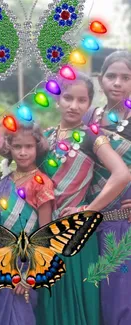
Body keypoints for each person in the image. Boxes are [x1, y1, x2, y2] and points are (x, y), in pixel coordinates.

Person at [34, 72, 131, 325]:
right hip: (43, 233)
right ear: (57, 100)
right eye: (67, 98)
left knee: (78, 303)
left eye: (82, 100)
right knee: (49, 301)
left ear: (89, 104)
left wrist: (87, 211)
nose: (74, 106)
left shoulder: (92, 137)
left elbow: (122, 174)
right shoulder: (43, 138)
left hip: (75, 233)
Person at [0, 122, 55, 325]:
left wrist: (29, 276)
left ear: (37, 148)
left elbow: (45, 237)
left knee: (19, 317)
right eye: (17, 146)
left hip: (22, 265)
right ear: (9, 148)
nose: (22, 152)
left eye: (28, 146)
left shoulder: (41, 183)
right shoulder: (5, 180)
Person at [81, 50, 131, 325]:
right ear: (101, 80)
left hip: (123, 222)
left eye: (126, 77)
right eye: (111, 76)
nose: (118, 83)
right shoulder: (90, 116)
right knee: (91, 295)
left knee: (119, 300)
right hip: (89, 221)